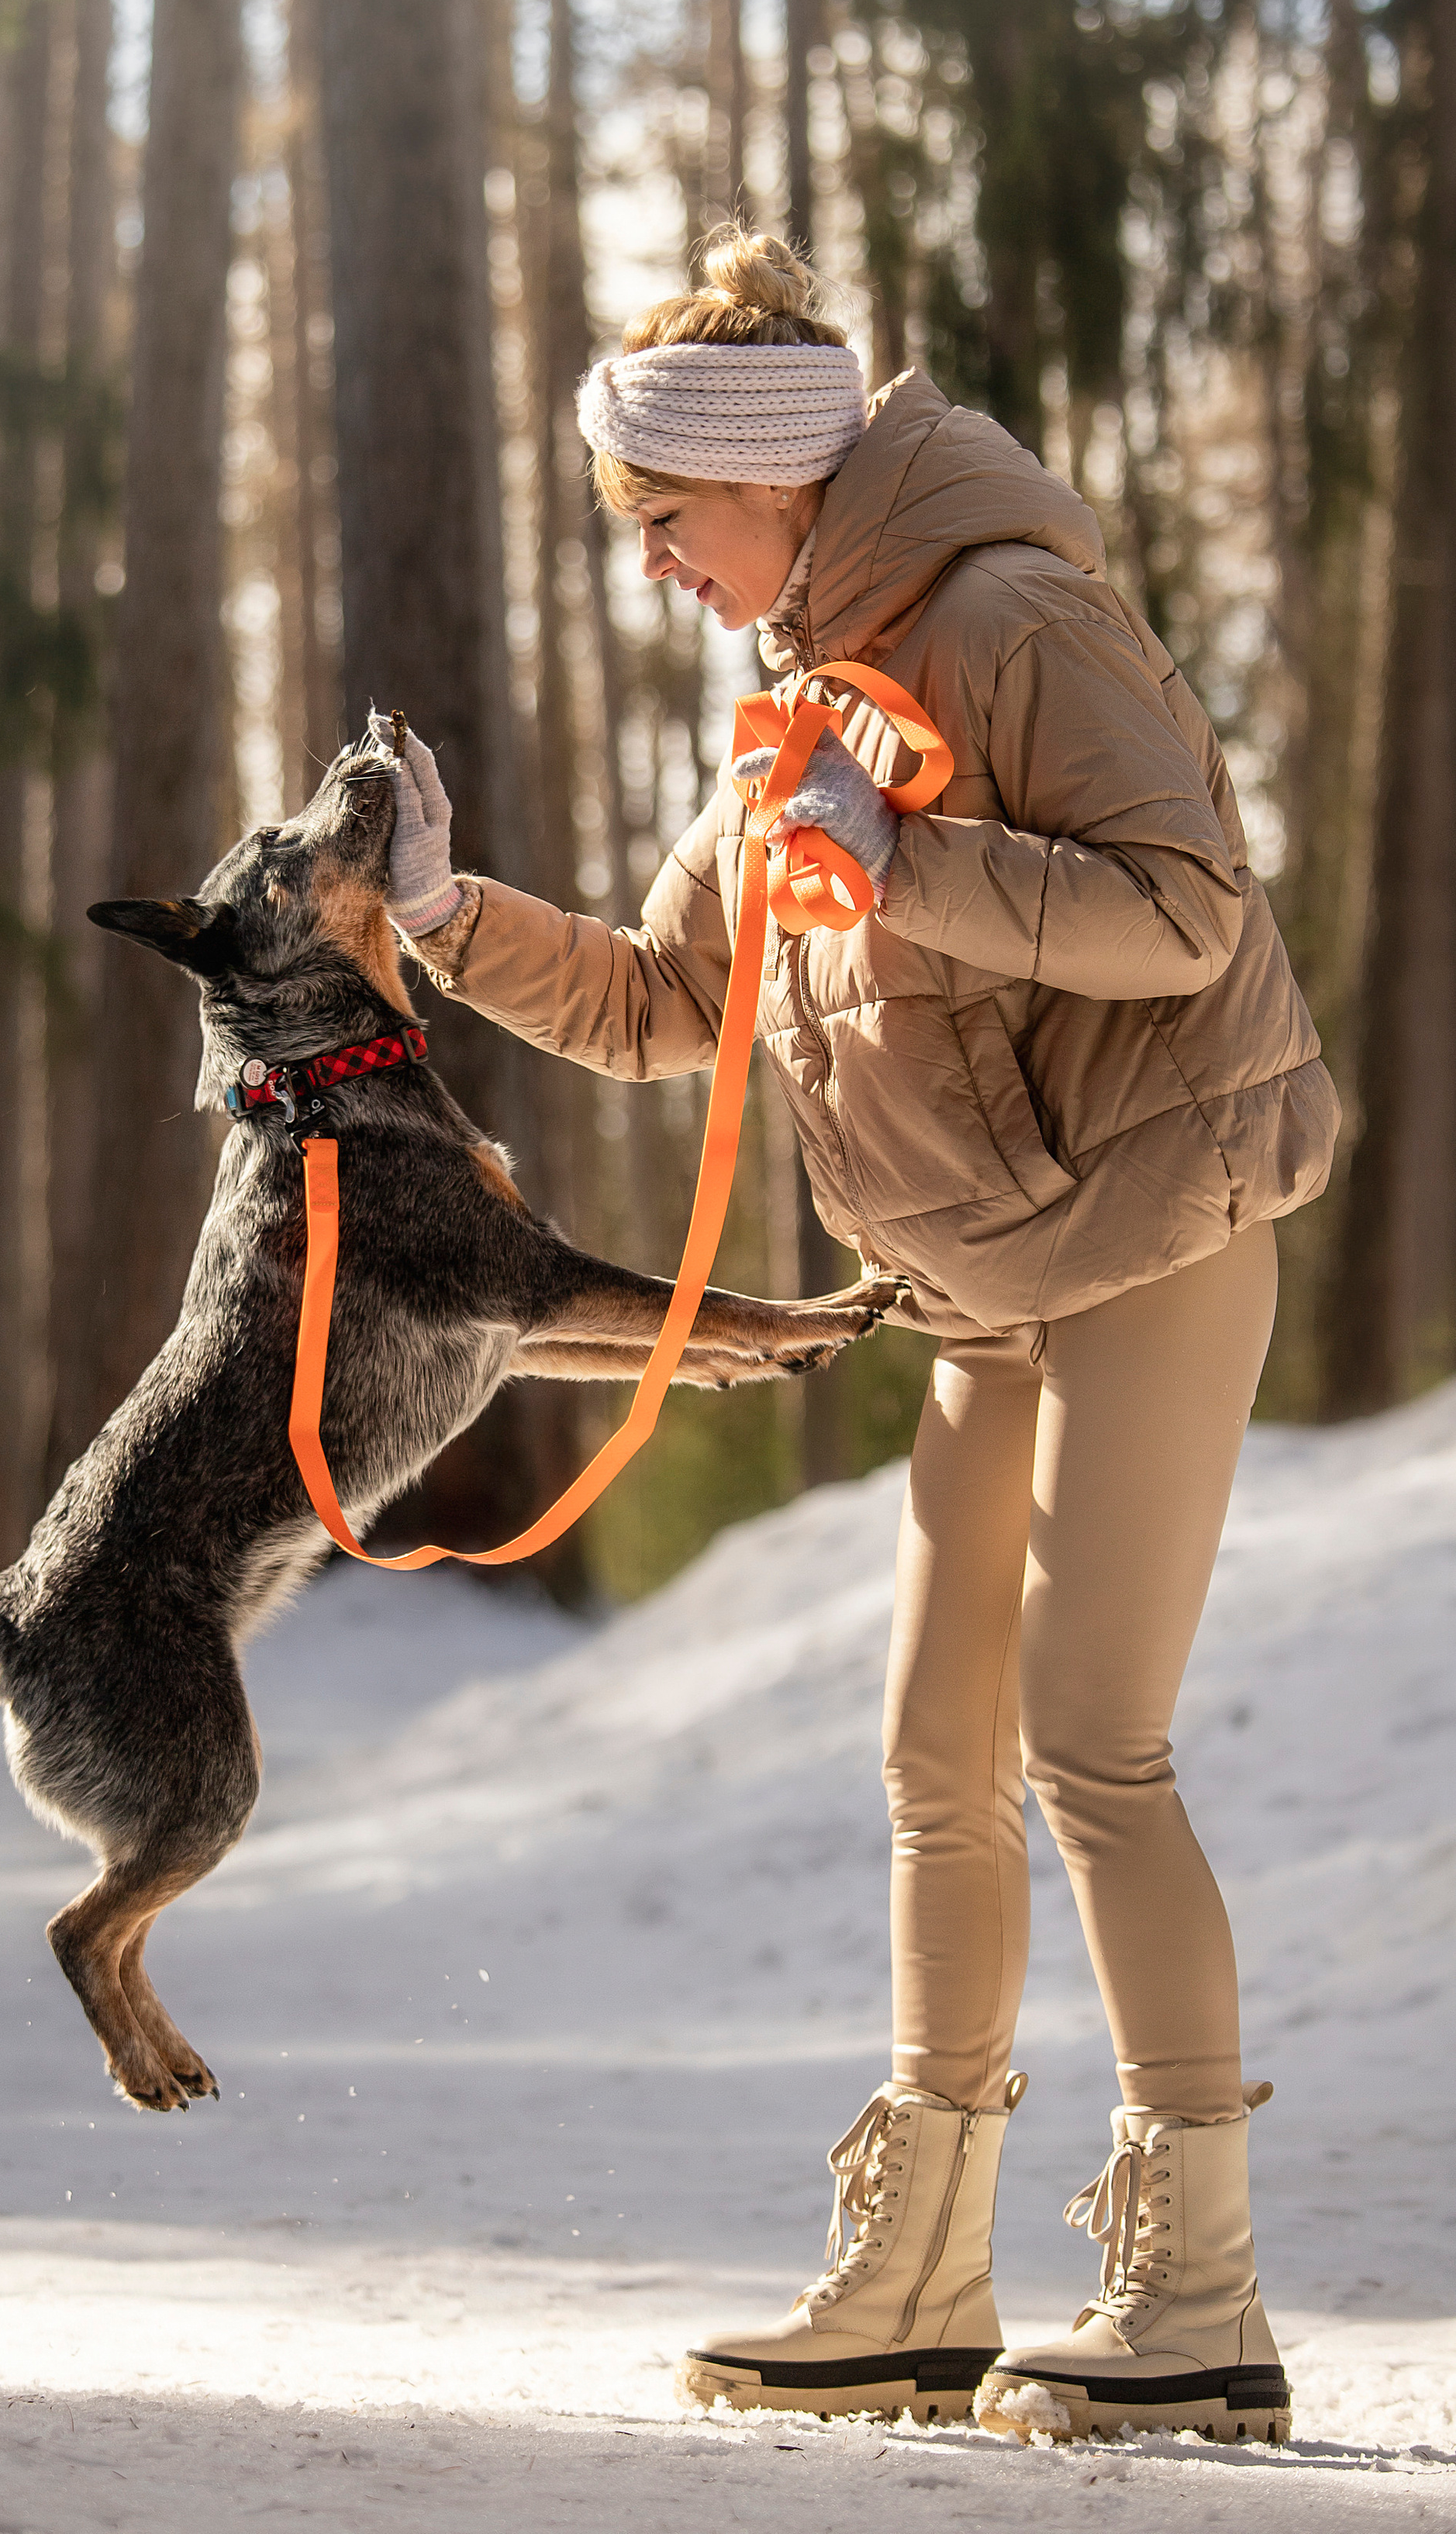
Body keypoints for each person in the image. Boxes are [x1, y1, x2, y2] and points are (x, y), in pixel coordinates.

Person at [379, 229, 1337, 2446]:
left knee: (1095, 1745)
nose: (655, 569)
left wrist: (906, 865)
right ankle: (922, 2275)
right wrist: (445, 916)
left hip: (1158, 1239)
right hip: (992, 1279)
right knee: (937, 1762)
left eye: (664, 524)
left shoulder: (1012, 617)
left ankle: (1201, 2294)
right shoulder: (807, 697)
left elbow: (1189, 913)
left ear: (779, 481)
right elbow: (669, 1001)